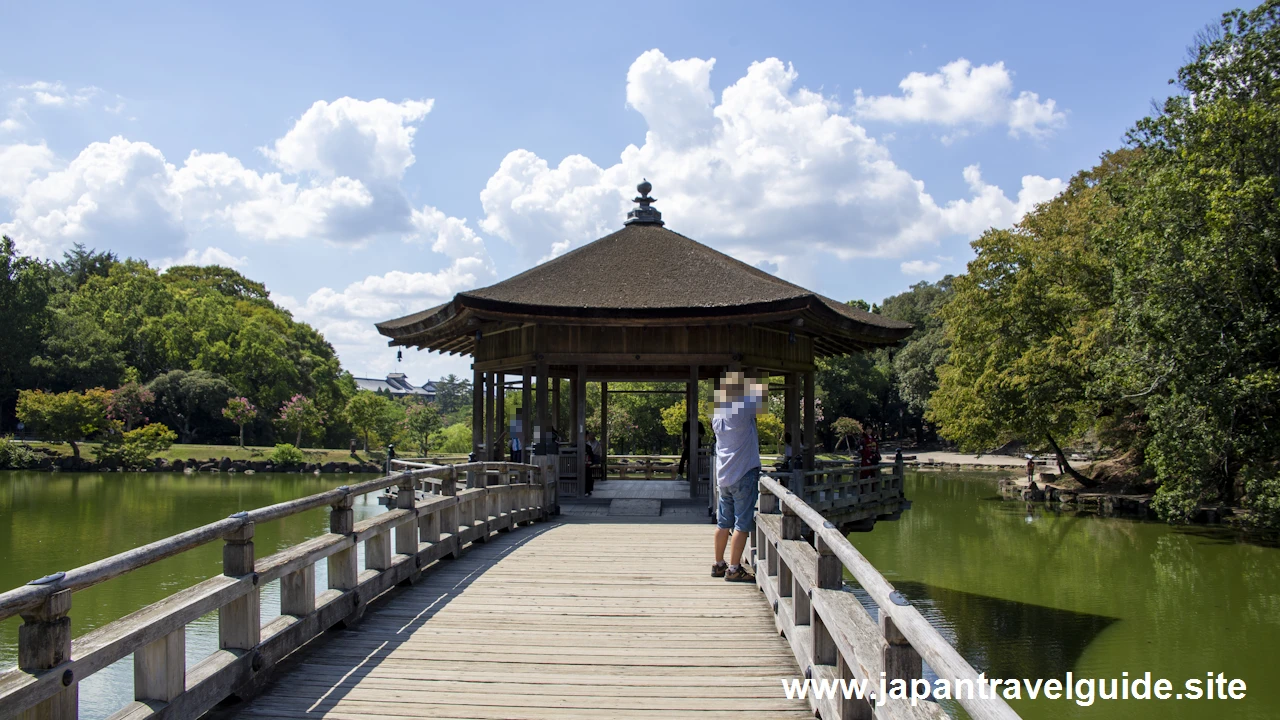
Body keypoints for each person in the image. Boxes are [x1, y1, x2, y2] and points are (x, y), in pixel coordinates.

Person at [711, 371, 766, 582]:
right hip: (743, 472)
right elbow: (759, 395)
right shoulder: (743, 410)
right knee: (742, 524)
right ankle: (734, 569)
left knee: (723, 522)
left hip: (724, 475)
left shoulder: (717, 414)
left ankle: (718, 564)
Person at [584, 431, 602, 496]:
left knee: (588, 474)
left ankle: (588, 489)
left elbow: (594, 452)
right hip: (585, 461)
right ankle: (586, 489)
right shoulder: (586, 444)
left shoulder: (596, 443)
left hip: (593, 459)